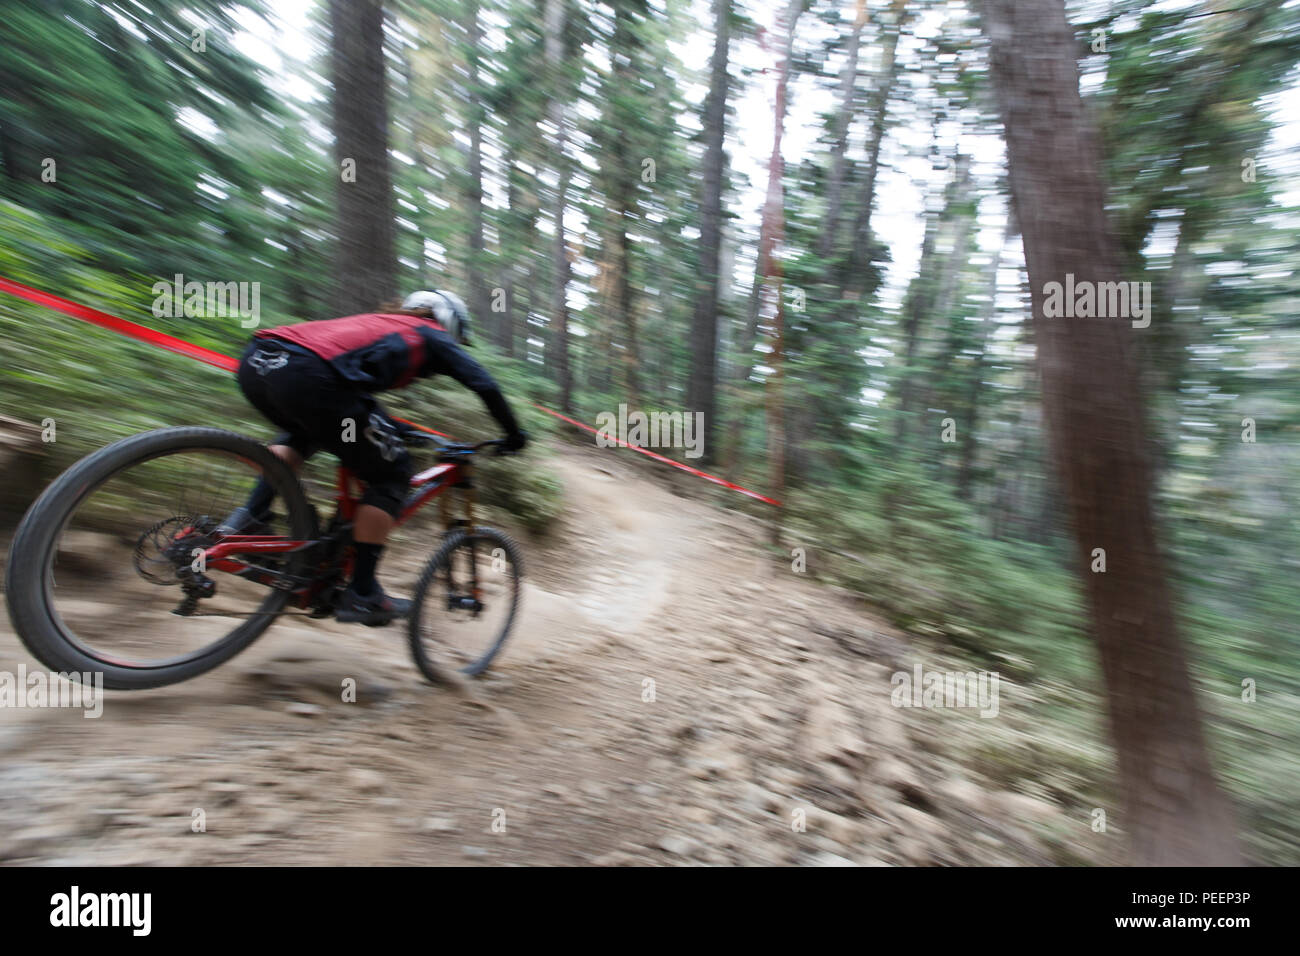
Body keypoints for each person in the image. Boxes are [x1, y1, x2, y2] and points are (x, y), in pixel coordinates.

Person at [219, 289, 527, 626]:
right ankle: (363, 593)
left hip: (259, 361)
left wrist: (407, 432)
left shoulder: (382, 325)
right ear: (447, 321)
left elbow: (354, 400)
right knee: (392, 474)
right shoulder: (432, 335)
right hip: (309, 375)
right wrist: (513, 434)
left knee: (308, 432)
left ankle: (250, 516)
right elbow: (484, 383)